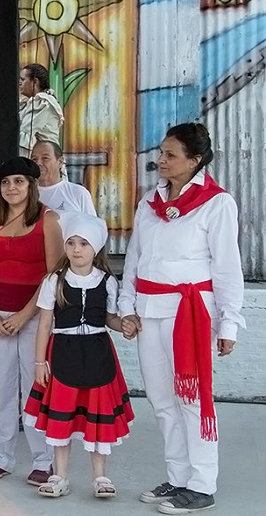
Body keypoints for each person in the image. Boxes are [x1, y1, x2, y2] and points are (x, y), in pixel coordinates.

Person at [119, 123, 245, 515]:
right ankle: (177, 477)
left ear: (195, 160)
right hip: (150, 311)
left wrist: (228, 322)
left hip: (189, 313)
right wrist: (127, 306)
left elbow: (227, 268)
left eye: (171, 154)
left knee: (191, 399)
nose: (161, 159)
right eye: (162, 151)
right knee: (160, 400)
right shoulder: (149, 202)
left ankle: (201, 484)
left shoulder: (216, 203)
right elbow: (135, 259)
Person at [24, 212, 134, 499]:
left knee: (97, 418)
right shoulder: (54, 281)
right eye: (71, 243)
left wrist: (123, 325)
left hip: (98, 354)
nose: (76, 249)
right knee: (62, 419)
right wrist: (39, 362)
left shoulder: (107, 281)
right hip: (63, 354)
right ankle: (59, 475)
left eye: (83, 244)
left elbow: (108, 318)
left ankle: (100, 476)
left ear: (95, 248)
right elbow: (45, 324)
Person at [0, 156, 62, 486]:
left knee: (36, 388)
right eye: (6, 182)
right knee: (1, 389)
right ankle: (1, 457)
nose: (12, 187)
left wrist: (26, 314)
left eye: (19, 181)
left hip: (35, 317)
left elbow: (53, 274)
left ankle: (43, 460)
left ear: (31, 185)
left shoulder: (48, 220)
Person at [30, 140, 96, 216]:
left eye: (45, 158)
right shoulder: (25, 194)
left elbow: (92, 226)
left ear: (60, 162)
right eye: (34, 159)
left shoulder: (78, 193)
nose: (38, 163)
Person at [18, 63, 64, 160]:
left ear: (35, 82)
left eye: (23, 79)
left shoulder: (43, 103)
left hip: (46, 160)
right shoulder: (30, 103)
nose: (19, 82)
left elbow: (26, 134)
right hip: (42, 158)